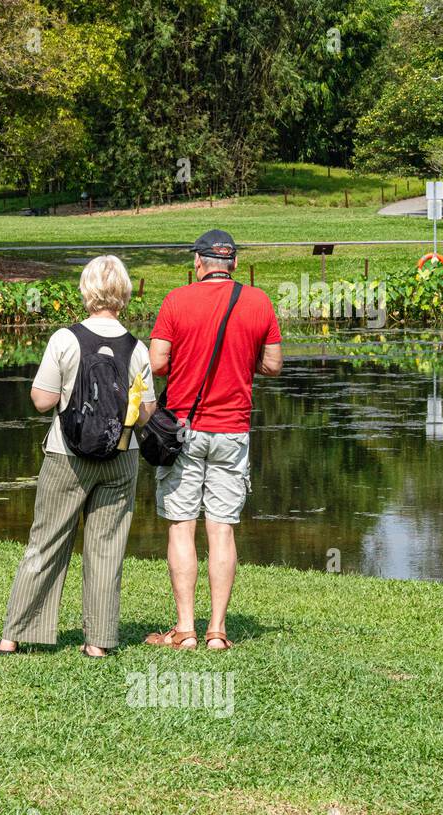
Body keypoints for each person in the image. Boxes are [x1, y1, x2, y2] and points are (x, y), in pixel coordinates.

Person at [0, 255, 157, 658]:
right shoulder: (137, 348)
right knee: (106, 549)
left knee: (46, 542)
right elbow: (147, 413)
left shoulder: (65, 339)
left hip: (65, 456)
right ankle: (98, 641)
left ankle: (15, 634)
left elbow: (41, 401)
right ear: (123, 295)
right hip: (121, 457)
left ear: (87, 292)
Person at [145, 229, 283, 651]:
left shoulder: (176, 301)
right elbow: (274, 365)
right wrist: (241, 361)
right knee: (221, 531)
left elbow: (155, 362)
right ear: (235, 264)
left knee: (182, 528)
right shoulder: (258, 302)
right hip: (233, 430)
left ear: (198, 264)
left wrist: (186, 362)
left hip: (182, 431)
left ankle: (185, 628)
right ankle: (217, 632)